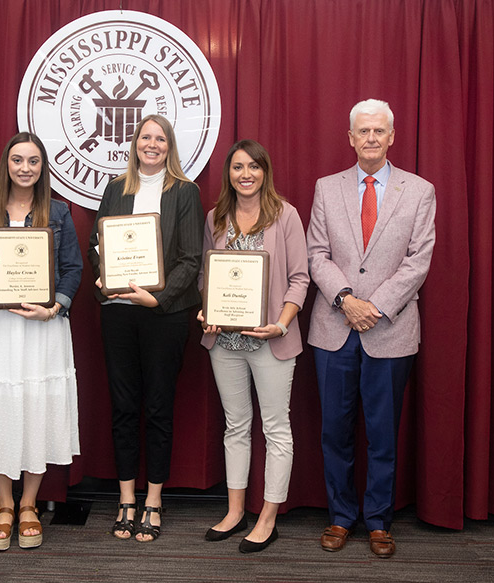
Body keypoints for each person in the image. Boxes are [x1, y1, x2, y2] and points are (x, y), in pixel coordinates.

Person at [307, 99, 436, 557]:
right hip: (333, 328)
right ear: (350, 138)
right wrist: (346, 300)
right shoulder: (327, 188)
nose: (371, 139)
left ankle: (378, 520)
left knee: (383, 433)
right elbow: (316, 253)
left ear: (392, 136)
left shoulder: (419, 191)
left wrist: (373, 307)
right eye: (362, 131)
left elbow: (418, 261)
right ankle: (342, 517)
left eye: (379, 131)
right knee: (334, 431)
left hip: (391, 330)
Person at [0, 132, 82, 552]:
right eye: (17, 160)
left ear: (42, 167)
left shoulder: (59, 212)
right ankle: (4, 505)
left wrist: (54, 307)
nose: (25, 168)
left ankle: (29, 504)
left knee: (36, 406)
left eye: (33, 161)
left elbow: (72, 270)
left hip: (43, 325)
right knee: (1, 404)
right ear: (6, 165)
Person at [87, 114, 204, 542]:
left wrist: (159, 298)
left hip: (164, 315)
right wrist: (102, 275)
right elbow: (96, 247)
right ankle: (126, 499)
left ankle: (153, 500)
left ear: (169, 147)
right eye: (145, 138)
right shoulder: (116, 189)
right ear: (134, 143)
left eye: (160, 139)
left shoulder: (185, 192)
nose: (151, 145)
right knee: (123, 408)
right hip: (118, 312)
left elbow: (192, 257)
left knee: (157, 408)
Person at [198, 140, 309, 553]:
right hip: (223, 341)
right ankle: (235, 511)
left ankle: (267, 516)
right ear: (229, 173)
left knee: (276, 429)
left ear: (265, 172)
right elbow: (207, 275)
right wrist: (206, 308)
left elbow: (300, 278)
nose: (246, 174)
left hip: (271, 341)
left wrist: (280, 326)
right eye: (238, 167)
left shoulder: (286, 216)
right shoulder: (216, 217)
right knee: (236, 427)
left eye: (254, 167)